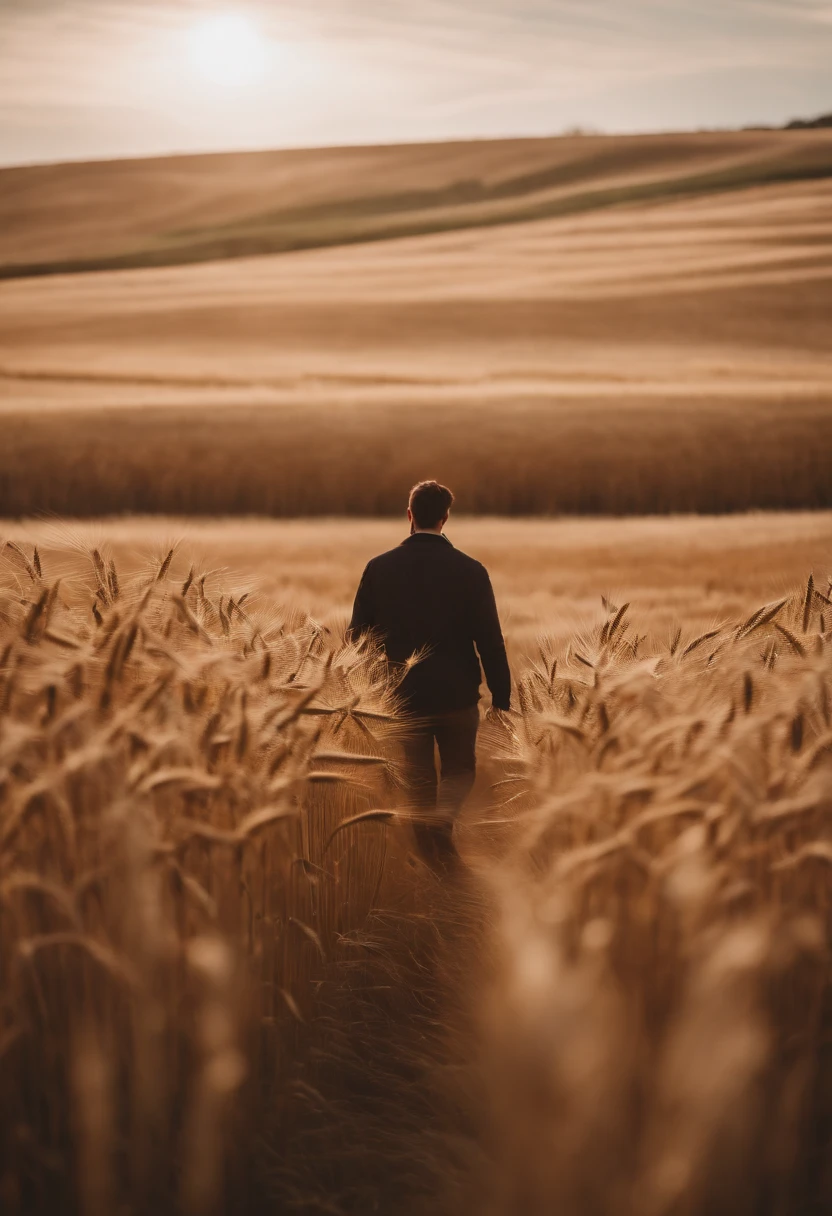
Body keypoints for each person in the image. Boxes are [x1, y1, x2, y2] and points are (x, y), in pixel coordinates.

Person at [348, 480, 511, 871]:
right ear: (445, 517)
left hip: (403, 697)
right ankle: (444, 840)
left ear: (409, 515)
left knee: (418, 781)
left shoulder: (379, 568)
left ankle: (439, 864)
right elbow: (490, 639)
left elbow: (356, 638)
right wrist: (501, 697)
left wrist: (370, 684)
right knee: (459, 771)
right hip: (457, 696)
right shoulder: (471, 571)